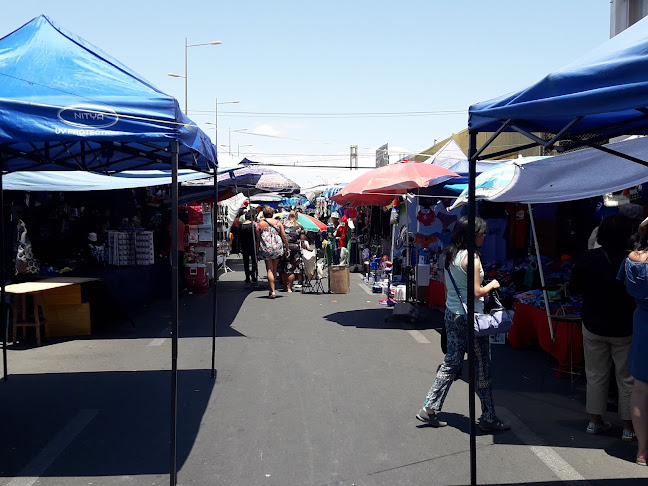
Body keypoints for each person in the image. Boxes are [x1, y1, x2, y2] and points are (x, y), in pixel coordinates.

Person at [416, 216, 510, 431]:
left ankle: (429, 408)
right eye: (481, 233)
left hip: (452, 314)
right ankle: (488, 417)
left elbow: (450, 289)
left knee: (451, 362)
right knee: (483, 368)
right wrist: (492, 284)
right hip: (471, 319)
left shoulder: (450, 255)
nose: (484, 236)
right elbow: (477, 292)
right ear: (473, 235)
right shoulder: (472, 259)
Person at [571, 215, 635, 440]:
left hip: (594, 323)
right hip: (625, 325)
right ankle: (629, 426)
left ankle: (594, 421)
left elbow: (574, 288)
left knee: (596, 374)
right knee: (627, 377)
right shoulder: (633, 260)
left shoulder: (589, 258)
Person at [618, 237, 648, 466]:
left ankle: (642, 450)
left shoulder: (631, 260)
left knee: (640, 390)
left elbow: (625, 289)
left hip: (643, 322)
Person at [256, 205, 289, 299]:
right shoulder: (278, 223)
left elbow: (257, 240)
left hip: (266, 248)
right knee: (274, 269)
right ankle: (272, 288)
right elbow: (284, 236)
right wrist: (287, 248)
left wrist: (257, 251)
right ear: (273, 214)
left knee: (269, 269)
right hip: (277, 247)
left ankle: (272, 290)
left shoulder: (259, 225)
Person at [279, 210, 305, 292]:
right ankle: (290, 288)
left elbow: (281, 236)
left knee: (283, 268)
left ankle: (284, 286)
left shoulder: (283, 225)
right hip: (295, 248)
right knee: (293, 269)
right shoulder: (299, 226)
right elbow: (302, 240)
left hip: (285, 247)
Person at [239, 208, 258, 289]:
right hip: (252, 245)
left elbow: (239, 238)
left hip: (244, 246)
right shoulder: (253, 225)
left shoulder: (241, 226)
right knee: (254, 261)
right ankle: (253, 275)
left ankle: (247, 276)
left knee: (246, 262)